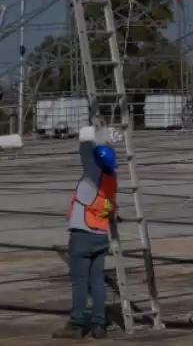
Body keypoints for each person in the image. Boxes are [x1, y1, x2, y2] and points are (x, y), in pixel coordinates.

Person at [56, 127, 115, 339]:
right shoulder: (111, 178)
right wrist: (105, 140)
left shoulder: (92, 175)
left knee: (80, 282)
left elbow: (85, 151)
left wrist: (89, 133)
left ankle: (77, 324)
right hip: (101, 235)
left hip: (83, 235)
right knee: (97, 281)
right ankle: (99, 324)